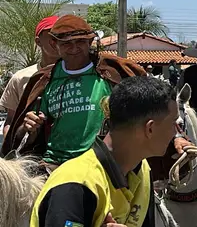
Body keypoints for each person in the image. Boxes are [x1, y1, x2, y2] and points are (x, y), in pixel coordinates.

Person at [7, 76, 177, 227]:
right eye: (173, 123)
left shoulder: (143, 173)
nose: (176, 130)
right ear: (150, 128)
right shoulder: (77, 186)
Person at [2, 15, 148, 168]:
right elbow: (27, 136)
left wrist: (176, 136)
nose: (74, 48)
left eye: (80, 42)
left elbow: (149, 109)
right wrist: (28, 127)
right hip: (55, 163)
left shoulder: (112, 74)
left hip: (101, 162)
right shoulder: (45, 80)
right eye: (66, 43)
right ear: (54, 43)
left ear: (90, 42)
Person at [1, 16, 60, 139]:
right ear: (38, 41)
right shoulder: (21, 77)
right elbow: (10, 120)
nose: (57, 41)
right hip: (29, 153)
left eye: (61, 36)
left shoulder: (77, 73)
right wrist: (10, 154)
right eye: (52, 36)